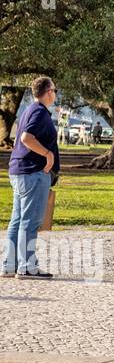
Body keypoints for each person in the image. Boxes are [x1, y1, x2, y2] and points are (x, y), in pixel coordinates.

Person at [5, 76, 59, 279]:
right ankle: (27, 267)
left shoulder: (29, 109)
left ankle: (9, 265)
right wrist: (48, 154)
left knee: (17, 220)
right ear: (47, 92)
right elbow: (26, 138)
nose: (55, 93)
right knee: (30, 221)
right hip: (32, 172)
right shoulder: (39, 112)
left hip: (19, 171)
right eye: (54, 90)